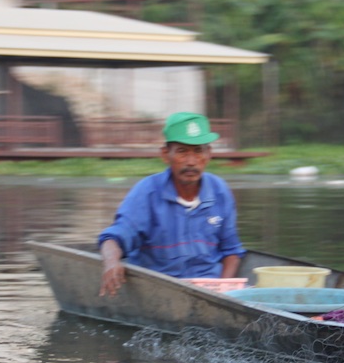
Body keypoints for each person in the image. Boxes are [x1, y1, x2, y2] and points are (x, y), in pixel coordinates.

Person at [98, 112, 245, 296]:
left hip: (210, 290)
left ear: (208, 154)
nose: (191, 162)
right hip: (160, 291)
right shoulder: (147, 192)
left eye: (198, 151)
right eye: (182, 152)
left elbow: (231, 251)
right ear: (166, 155)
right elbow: (114, 238)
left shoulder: (220, 191)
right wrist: (111, 262)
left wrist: (223, 290)